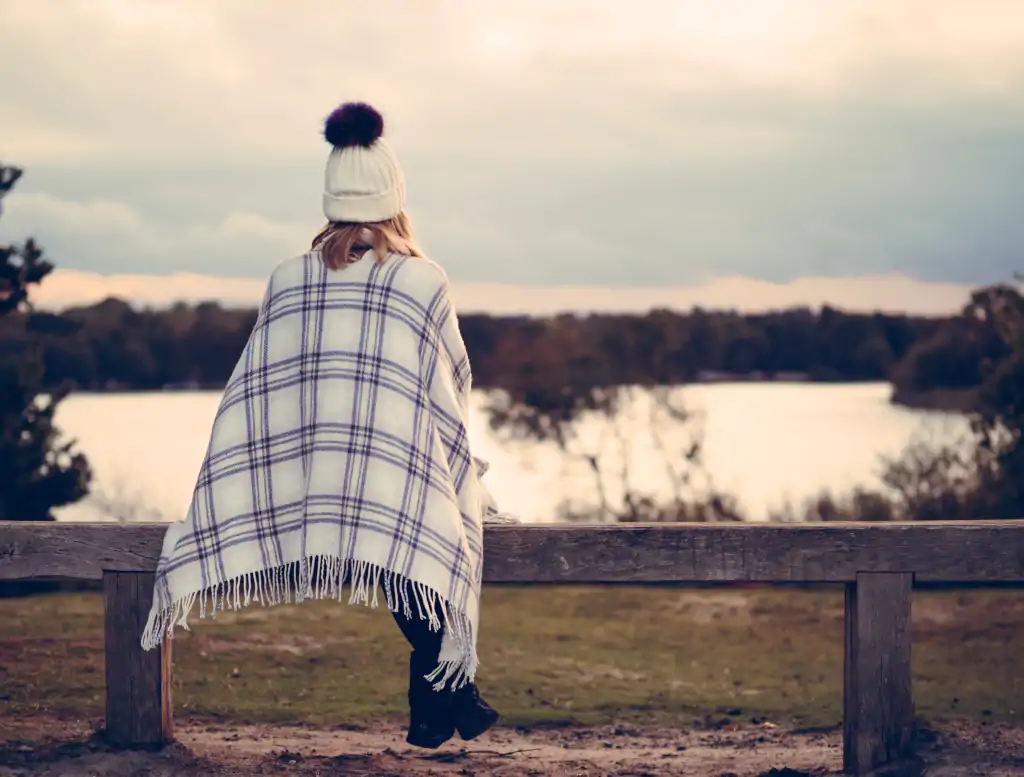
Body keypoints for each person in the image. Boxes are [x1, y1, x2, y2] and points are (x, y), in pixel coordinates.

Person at [141, 101, 517, 750]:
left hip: (312, 481)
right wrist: (461, 478)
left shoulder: (290, 280)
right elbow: (450, 388)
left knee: (409, 540)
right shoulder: (421, 280)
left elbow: (259, 394)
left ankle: (439, 698)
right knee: (420, 535)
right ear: (394, 202)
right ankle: (442, 692)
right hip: (395, 474)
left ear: (331, 206)